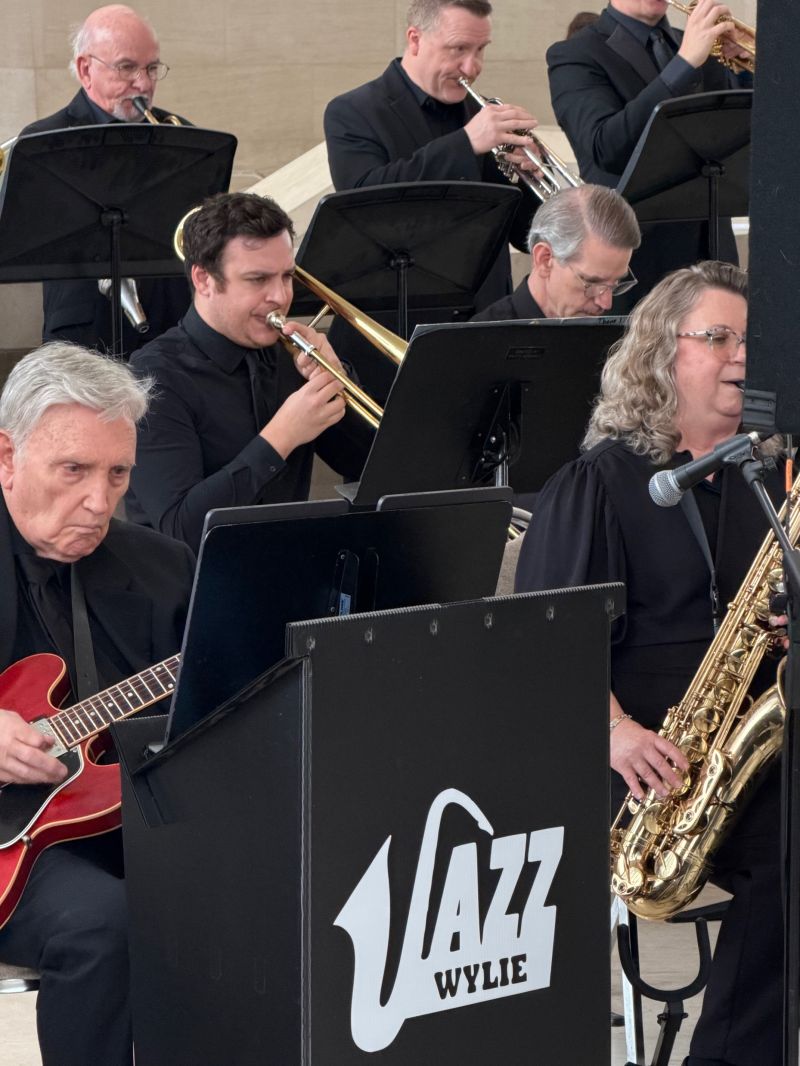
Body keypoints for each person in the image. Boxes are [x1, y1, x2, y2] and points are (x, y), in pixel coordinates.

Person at [516, 261, 783, 1066]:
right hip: (638, 764)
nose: (741, 354)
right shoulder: (597, 483)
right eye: (719, 337)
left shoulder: (764, 478)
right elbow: (541, 639)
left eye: (750, 339)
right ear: (662, 353)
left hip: (747, 746)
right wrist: (615, 733)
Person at [0, 342, 194, 1066]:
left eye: (118, 474)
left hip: (123, 813)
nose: (99, 500)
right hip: (12, 852)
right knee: (100, 924)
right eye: (73, 470)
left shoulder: (161, 564)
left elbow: (209, 704)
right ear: (6, 457)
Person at [125, 191, 369, 554]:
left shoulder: (291, 356)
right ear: (204, 280)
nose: (280, 296)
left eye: (287, 276)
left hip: (287, 571)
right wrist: (280, 438)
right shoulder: (153, 378)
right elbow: (180, 530)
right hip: (187, 596)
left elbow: (361, 463)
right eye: (258, 280)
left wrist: (337, 380)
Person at [324, 0, 542, 310]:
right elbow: (364, 198)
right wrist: (465, 144)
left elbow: (524, 236)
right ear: (415, 40)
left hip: (486, 313)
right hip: (403, 312)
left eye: (480, 50)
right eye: (458, 49)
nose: (472, 67)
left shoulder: (481, 114)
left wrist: (531, 175)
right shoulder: (354, 111)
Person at [547, 0, 748, 306]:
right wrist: (684, 64)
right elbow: (605, 147)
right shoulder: (574, 54)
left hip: (715, 253)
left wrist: (750, 70)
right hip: (638, 263)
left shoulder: (699, 42)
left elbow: (740, 130)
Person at [18, 5, 191, 354]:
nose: (143, 83)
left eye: (152, 68)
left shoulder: (182, 136)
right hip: (84, 332)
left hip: (174, 327)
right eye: (127, 67)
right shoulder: (45, 140)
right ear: (86, 69)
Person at [471, 184, 641, 321]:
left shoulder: (618, 339)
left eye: (616, 284)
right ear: (545, 259)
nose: (607, 303)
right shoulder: (479, 343)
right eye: (593, 283)